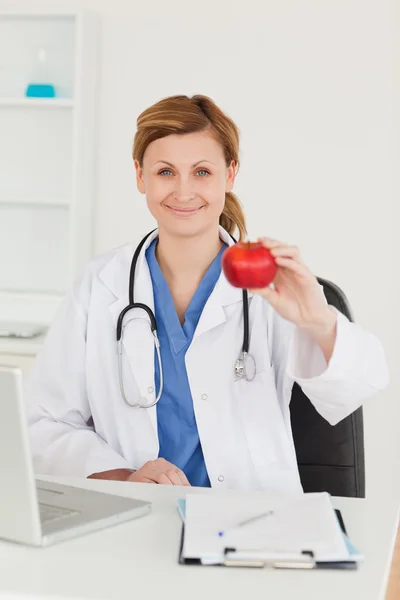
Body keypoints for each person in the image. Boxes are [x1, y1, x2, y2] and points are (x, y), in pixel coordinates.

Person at [26, 94, 389, 493]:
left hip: (252, 522)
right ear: (139, 176)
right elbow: (45, 422)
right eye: (165, 171)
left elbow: (357, 385)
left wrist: (316, 319)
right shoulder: (100, 284)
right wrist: (126, 479)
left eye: (201, 172)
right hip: (134, 516)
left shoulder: (269, 288)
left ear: (230, 174)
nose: (183, 191)